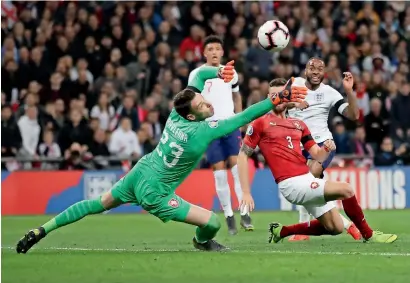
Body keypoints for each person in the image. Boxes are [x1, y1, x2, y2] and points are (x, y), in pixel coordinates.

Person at [16, 62, 307, 254]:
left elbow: (196, 78)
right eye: (203, 103)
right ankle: (201, 243)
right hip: (155, 191)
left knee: (97, 204)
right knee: (212, 224)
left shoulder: (175, 115)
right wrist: (275, 100)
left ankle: (42, 229)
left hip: (141, 171)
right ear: (193, 114)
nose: (207, 102)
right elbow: (243, 116)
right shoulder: (203, 132)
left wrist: (217, 72)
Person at [238, 78, 397, 244]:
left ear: (288, 96)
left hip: (306, 178)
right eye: (273, 95)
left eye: (281, 94)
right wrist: (246, 192)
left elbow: (317, 155)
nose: (277, 98)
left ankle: (281, 231)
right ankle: (369, 235)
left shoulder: (298, 124)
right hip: (291, 184)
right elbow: (243, 155)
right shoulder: (260, 123)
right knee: (346, 190)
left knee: (334, 227)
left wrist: (326, 149)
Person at [286, 57, 361, 241]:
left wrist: (349, 91)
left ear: (324, 73)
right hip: (296, 145)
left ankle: (302, 231)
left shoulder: (330, 93)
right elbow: (276, 104)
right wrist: (292, 103)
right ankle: (347, 224)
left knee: (307, 180)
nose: (315, 72)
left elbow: (353, 115)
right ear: (305, 71)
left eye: (320, 69)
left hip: (322, 144)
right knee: (310, 189)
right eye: (312, 68)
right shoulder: (293, 83)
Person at [188, 35, 249, 235]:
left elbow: (236, 95)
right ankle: (229, 216)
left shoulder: (231, 73)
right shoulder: (197, 74)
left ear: (222, 52)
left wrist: (240, 119)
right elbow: (192, 100)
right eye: (210, 49)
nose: (214, 52)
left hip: (230, 124)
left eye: (217, 49)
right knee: (219, 171)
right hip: (209, 127)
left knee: (235, 167)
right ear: (204, 53)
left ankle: (245, 213)